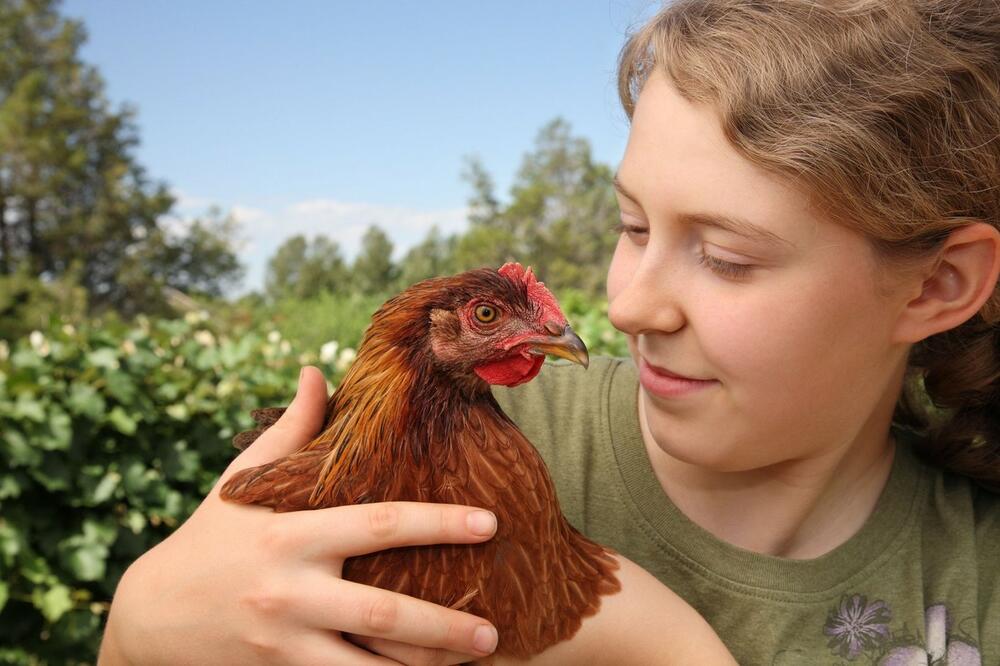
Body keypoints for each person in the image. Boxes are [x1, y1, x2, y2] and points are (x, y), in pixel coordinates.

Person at [100, 0, 1000, 663]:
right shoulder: (422, 474)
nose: (630, 306)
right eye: (633, 226)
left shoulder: (976, 577)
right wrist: (142, 629)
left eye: (725, 256)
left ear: (939, 284)